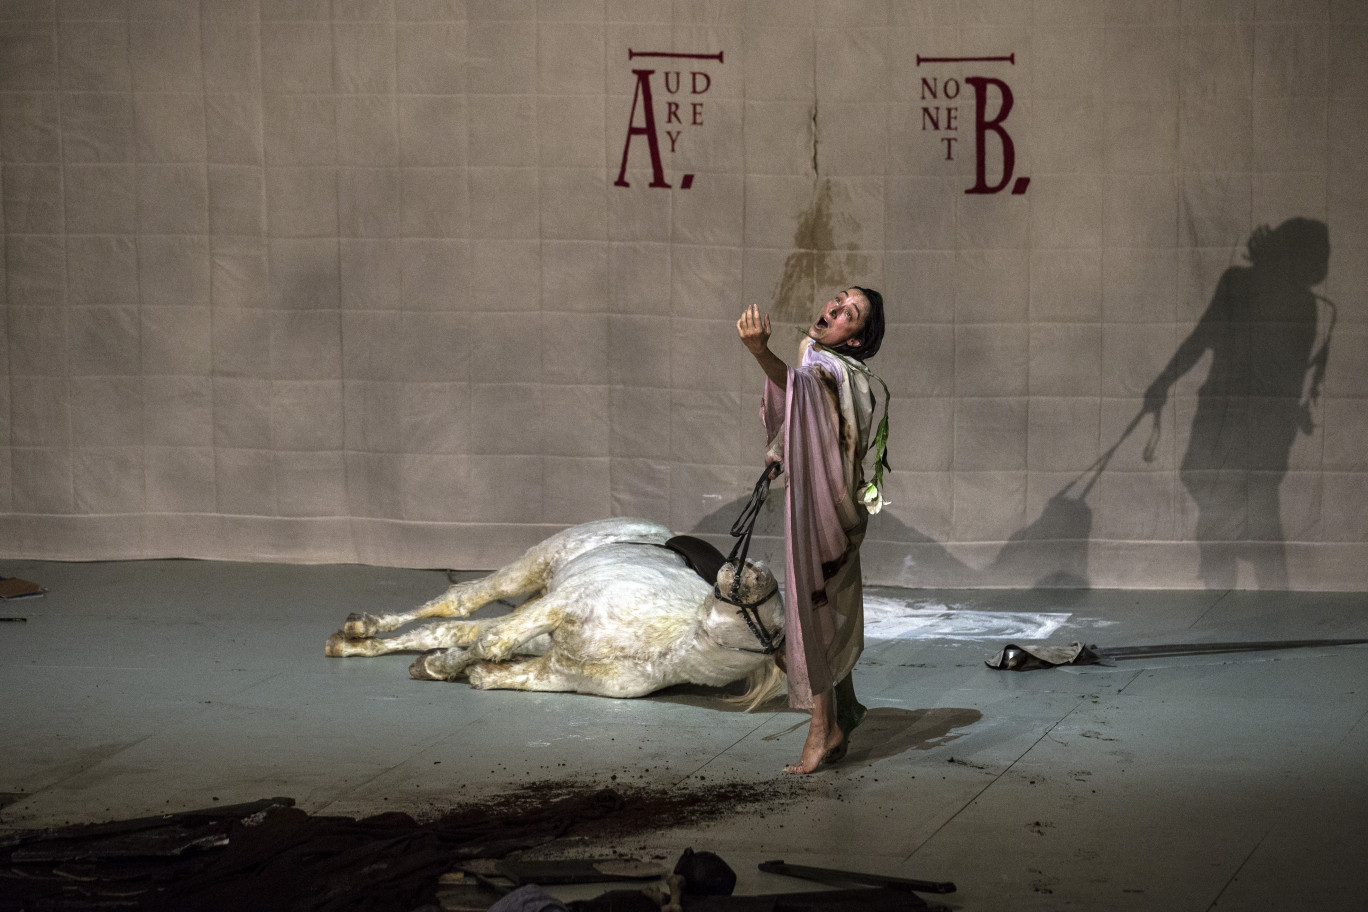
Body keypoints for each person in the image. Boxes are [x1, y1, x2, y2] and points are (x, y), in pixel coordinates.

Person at [736, 287, 886, 774]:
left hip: (829, 504)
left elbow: (804, 392)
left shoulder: (837, 370)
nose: (834, 310)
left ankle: (823, 731)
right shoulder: (815, 354)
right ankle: (837, 717)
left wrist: (760, 352)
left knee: (815, 608)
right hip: (814, 494)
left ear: (857, 340)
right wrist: (784, 450)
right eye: (837, 301)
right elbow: (804, 414)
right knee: (818, 608)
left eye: (849, 314)